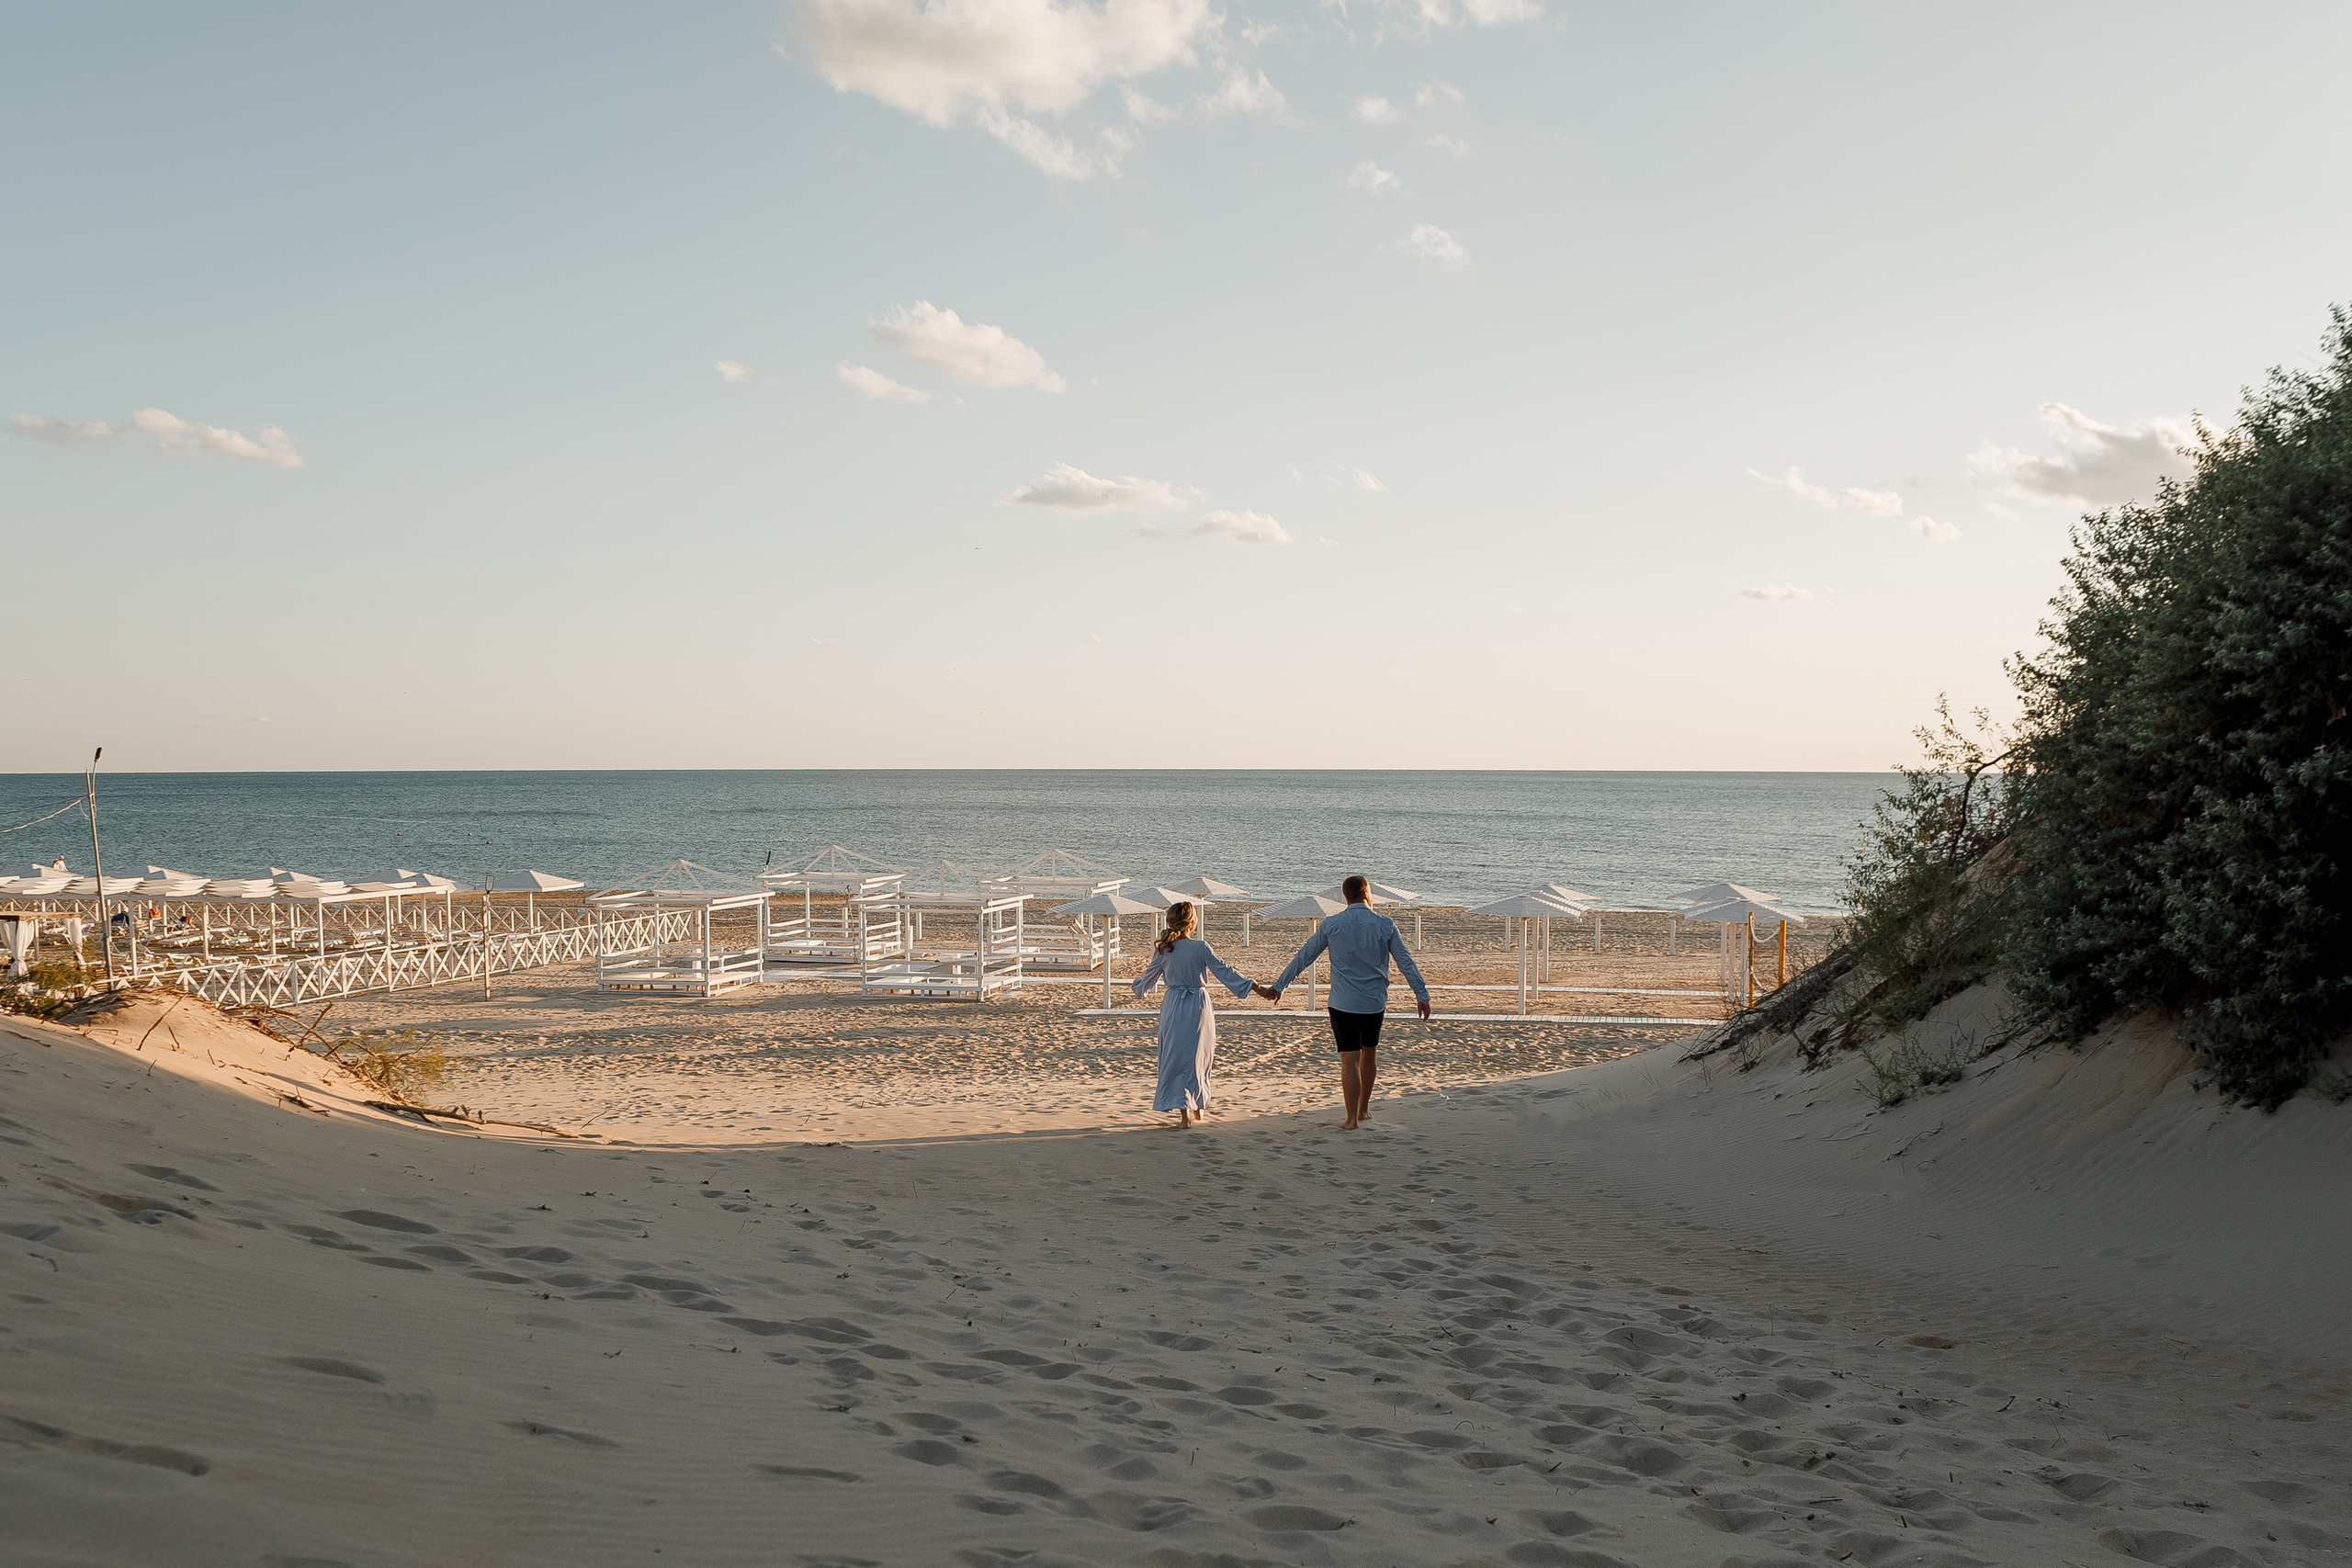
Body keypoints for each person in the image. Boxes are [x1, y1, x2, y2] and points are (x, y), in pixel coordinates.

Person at [1258, 874, 1430, 1130]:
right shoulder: (1385, 924)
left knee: (1348, 1059)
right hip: (1373, 1001)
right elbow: (1405, 961)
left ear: (1345, 896)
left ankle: (1350, 1120)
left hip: (1342, 1002)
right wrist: (1421, 994)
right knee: (1368, 1053)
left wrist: (1279, 985)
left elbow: (1304, 956)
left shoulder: (1331, 924)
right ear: (1366, 893)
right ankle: (1363, 1110)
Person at [1130, 899, 1258, 1129]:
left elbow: (1146, 983)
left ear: (1170, 921)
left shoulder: (1164, 949)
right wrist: (1254, 987)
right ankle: (1196, 1106)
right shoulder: (1200, 947)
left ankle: (1186, 1114)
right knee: (1200, 1056)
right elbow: (1225, 971)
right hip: (1199, 1005)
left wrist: (1137, 986)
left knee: (1177, 1057)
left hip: (1174, 1006)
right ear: (1192, 923)